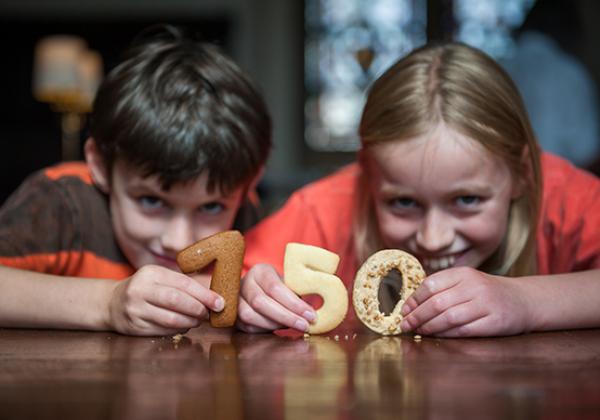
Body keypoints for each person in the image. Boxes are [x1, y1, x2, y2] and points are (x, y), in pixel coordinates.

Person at [237, 42, 600, 337]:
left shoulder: (565, 196)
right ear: (369, 175)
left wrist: (526, 302)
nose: (433, 238)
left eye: (467, 200)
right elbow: (231, 281)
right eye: (404, 202)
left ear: (521, 174)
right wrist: (252, 294)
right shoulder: (325, 208)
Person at [0, 24, 272, 336]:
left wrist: (254, 300)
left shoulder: (245, 210)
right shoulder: (61, 201)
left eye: (211, 207)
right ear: (101, 165)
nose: (179, 240)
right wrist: (107, 304)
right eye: (151, 200)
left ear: (250, 183)